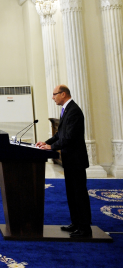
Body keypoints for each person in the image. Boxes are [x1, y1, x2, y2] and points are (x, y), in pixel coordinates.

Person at [36, 85, 92, 238]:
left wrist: (51, 147)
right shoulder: (66, 110)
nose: (53, 97)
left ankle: (85, 228)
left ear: (63, 94)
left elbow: (69, 137)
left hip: (76, 160)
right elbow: (59, 134)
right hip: (69, 160)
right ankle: (76, 223)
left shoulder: (74, 111)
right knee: (71, 194)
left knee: (79, 194)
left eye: (54, 94)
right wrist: (45, 143)